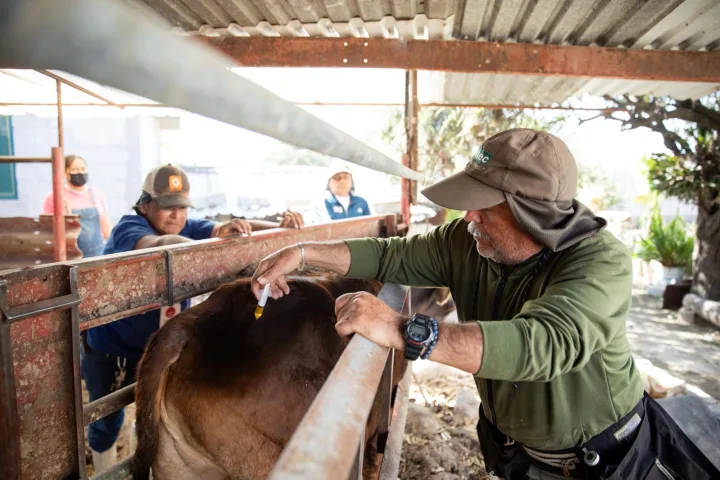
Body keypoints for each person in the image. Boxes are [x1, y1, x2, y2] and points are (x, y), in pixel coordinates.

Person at [251, 129, 719, 480]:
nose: (468, 215)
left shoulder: (600, 262)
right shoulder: (468, 240)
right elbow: (393, 255)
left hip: (600, 462)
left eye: (484, 206)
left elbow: (544, 343)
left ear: (532, 213)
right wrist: (304, 253)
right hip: (512, 451)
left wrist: (400, 328)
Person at [82, 164, 304, 471]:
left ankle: (132, 463)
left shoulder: (187, 227)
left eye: (182, 207)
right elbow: (159, 245)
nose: (176, 215)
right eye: (167, 207)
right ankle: (102, 467)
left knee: (148, 410)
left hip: (154, 348)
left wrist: (276, 225)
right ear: (145, 205)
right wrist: (210, 251)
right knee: (106, 417)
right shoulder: (129, 228)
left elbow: (226, 229)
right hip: (113, 348)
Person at [42, 154, 112, 257]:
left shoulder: (96, 194)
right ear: (65, 172)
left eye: (83, 169)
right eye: (74, 169)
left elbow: (105, 226)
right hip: (69, 257)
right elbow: (47, 229)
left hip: (97, 255)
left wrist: (113, 249)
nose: (80, 172)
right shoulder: (54, 196)